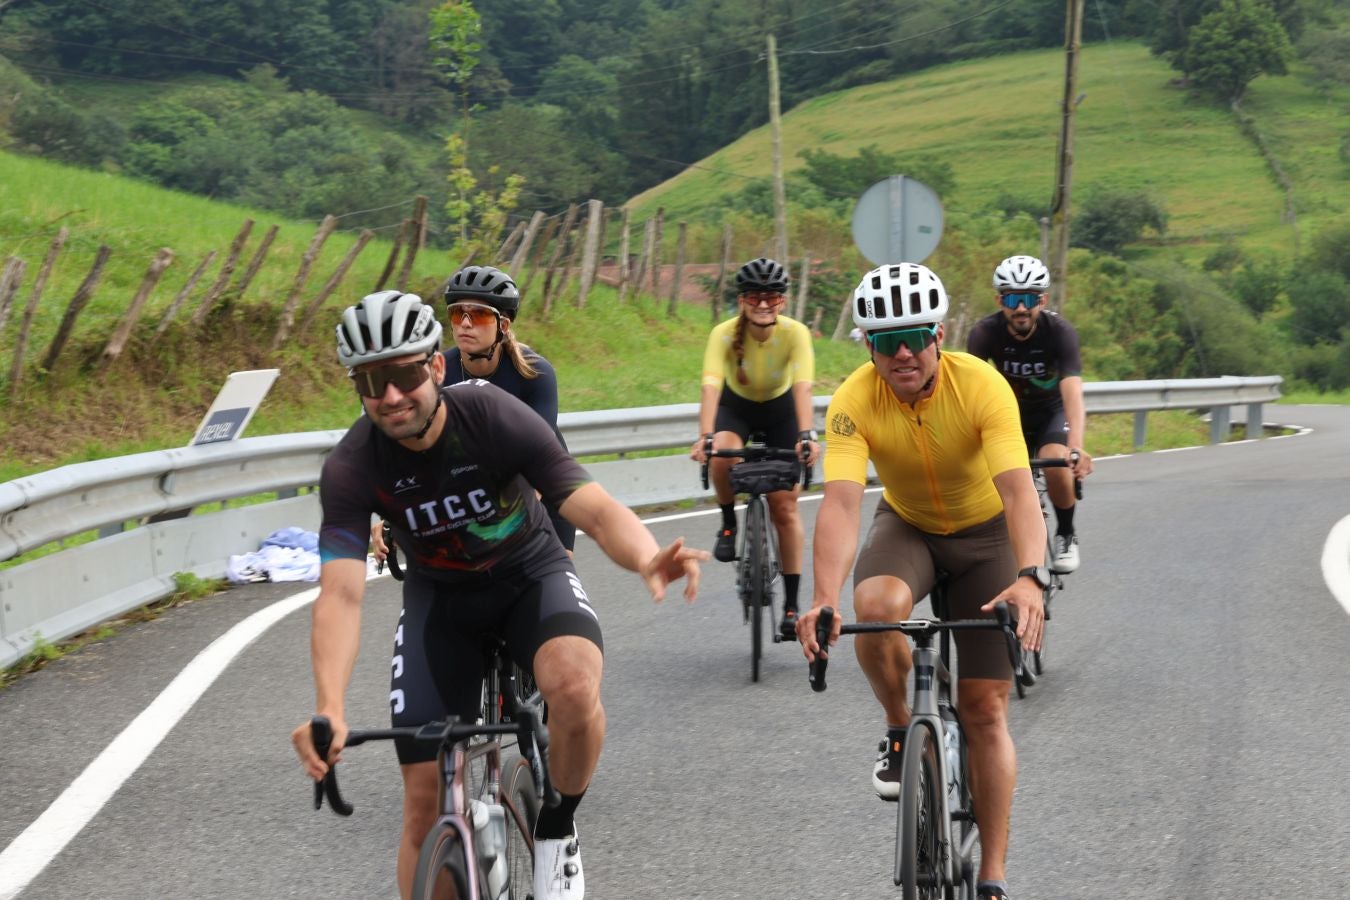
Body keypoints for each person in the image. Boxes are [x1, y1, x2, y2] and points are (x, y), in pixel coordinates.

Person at [291, 290, 707, 900]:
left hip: (527, 576)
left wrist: (646, 556)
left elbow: (589, 507)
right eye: (370, 381)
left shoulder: (491, 416)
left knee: (572, 686)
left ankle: (557, 829)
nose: (390, 396)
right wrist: (329, 706)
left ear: (435, 366)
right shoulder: (353, 466)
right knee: (421, 806)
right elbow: (341, 597)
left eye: (405, 373)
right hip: (442, 605)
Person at [796, 263, 1048, 900]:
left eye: (913, 336)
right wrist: (822, 598)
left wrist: (1030, 579)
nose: (902, 352)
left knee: (986, 710)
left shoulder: (983, 387)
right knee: (874, 605)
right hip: (908, 527)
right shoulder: (855, 399)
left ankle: (991, 873)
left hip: (987, 535)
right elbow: (842, 504)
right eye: (885, 341)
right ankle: (900, 726)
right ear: (868, 347)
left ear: (939, 334)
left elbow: (1020, 493)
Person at [370, 264, 577, 560]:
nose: (465, 324)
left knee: (554, 583)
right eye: (457, 314)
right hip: (470, 491)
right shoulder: (438, 373)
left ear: (503, 325)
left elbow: (535, 462)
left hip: (542, 487)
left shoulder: (535, 373)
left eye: (477, 315)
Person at [689, 257, 820, 637]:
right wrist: (704, 435)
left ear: (783, 301)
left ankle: (793, 606)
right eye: (754, 298)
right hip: (737, 407)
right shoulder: (724, 334)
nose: (763, 305)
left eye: (772, 298)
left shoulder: (796, 334)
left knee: (785, 506)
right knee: (723, 451)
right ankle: (729, 524)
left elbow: (804, 386)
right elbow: (711, 384)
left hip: (782, 412)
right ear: (742, 301)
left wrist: (807, 434)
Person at [965, 254, 1094, 573]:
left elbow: (1072, 389)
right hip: (1006, 415)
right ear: (999, 300)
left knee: (1055, 460)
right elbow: (971, 391)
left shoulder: (1060, 331)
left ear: (1043, 299)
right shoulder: (984, 333)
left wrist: (1075, 445)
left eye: (1028, 298)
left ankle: (1066, 532)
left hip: (1051, 411)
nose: (1020, 307)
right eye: (1012, 298)